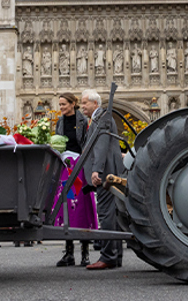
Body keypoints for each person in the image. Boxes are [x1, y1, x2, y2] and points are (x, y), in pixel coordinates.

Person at [52, 92, 97, 267]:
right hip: (65, 167)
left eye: (64, 104)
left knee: (81, 207)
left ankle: (85, 253)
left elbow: (86, 145)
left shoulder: (83, 122)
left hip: (79, 168)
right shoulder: (60, 122)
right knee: (67, 206)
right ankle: (69, 252)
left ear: (73, 104)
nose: (61, 107)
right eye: (60, 104)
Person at [81, 89, 124, 270]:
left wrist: (96, 170)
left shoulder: (102, 118)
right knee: (112, 214)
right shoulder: (99, 118)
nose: (82, 106)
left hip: (106, 171)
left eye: (84, 103)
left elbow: (102, 145)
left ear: (95, 104)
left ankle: (108, 256)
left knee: (106, 213)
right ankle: (115, 256)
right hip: (109, 170)